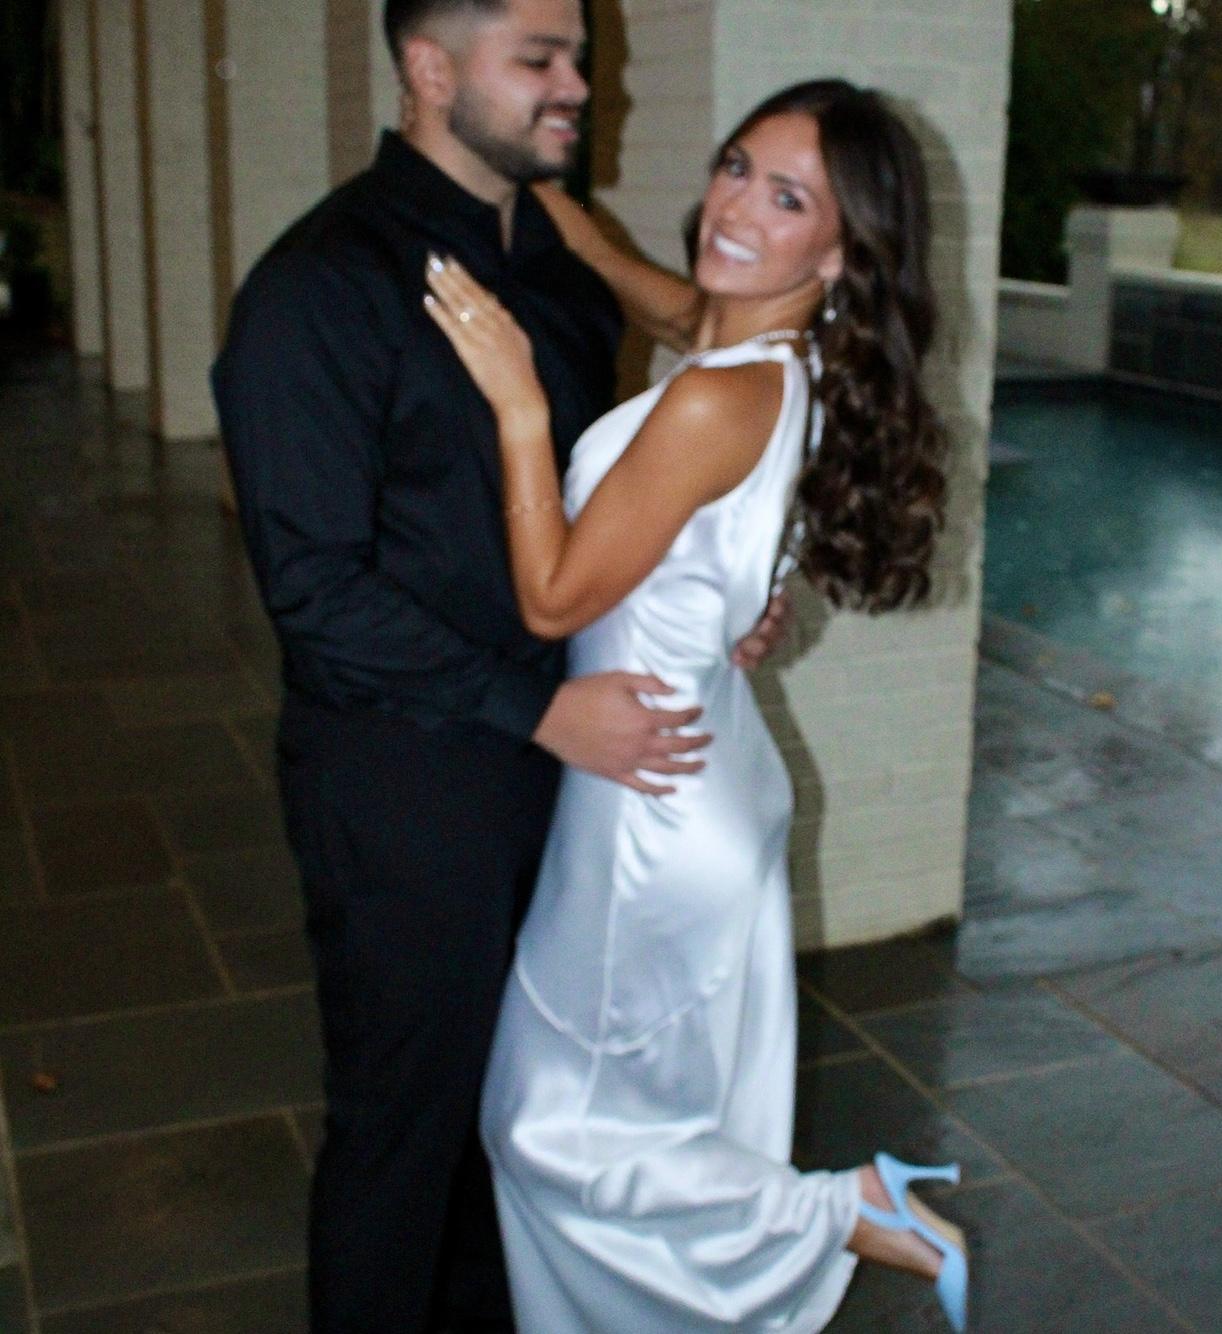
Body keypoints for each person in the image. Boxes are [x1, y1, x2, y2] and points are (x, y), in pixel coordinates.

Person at [210, 2, 789, 1330]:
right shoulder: (319, 286)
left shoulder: (560, 269)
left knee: (514, 1119)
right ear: (427, 68)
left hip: (565, 769)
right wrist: (536, 708)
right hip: (406, 778)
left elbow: (591, 519)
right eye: (538, 59)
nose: (577, 84)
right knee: (403, 1130)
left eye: (579, 55)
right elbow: (311, 590)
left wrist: (713, 604)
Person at [421, 78, 968, 1333]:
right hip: (700, 773)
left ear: (836, 253)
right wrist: (553, 205)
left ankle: (846, 1211)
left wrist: (518, 403)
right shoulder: (778, 359)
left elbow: (553, 598)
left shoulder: (713, 397)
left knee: (541, 1124)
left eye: (785, 199)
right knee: (645, 1117)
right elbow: (669, 299)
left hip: (649, 812)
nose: (732, 208)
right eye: (733, 167)